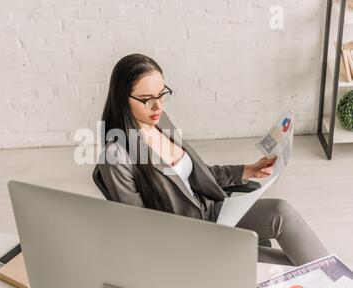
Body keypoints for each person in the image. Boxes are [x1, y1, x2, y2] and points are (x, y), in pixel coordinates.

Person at [97, 53, 328, 266]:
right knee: (296, 263)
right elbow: (138, 225)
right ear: (123, 99)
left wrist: (249, 170)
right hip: (188, 239)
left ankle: (334, 281)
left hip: (214, 213)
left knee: (281, 214)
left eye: (162, 94)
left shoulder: (161, 121)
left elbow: (195, 174)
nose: (158, 105)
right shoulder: (116, 157)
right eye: (147, 99)